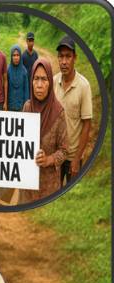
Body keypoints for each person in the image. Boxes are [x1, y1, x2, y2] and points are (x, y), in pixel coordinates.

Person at [23, 58, 68, 202]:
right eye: (36, 79)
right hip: (27, 185)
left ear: (50, 82)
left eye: (44, 79)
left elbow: (65, 151)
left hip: (49, 188)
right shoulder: (27, 108)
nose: (39, 85)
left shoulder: (59, 113)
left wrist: (48, 159)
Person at [53, 35, 93, 186]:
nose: (64, 61)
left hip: (72, 157)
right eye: (61, 57)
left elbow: (87, 124)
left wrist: (76, 159)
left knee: (69, 196)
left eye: (68, 56)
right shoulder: (54, 82)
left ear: (74, 58)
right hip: (56, 155)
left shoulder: (84, 86)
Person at [7, 44, 30, 112]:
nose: (16, 57)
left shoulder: (24, 71)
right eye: (14, 55)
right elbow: (5, 89)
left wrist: (26, 106)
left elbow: (26, 90)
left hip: (21, 107)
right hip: (10, 106)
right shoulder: (8, 70)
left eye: (18, 55)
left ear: (20, 56)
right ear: (11, 57)